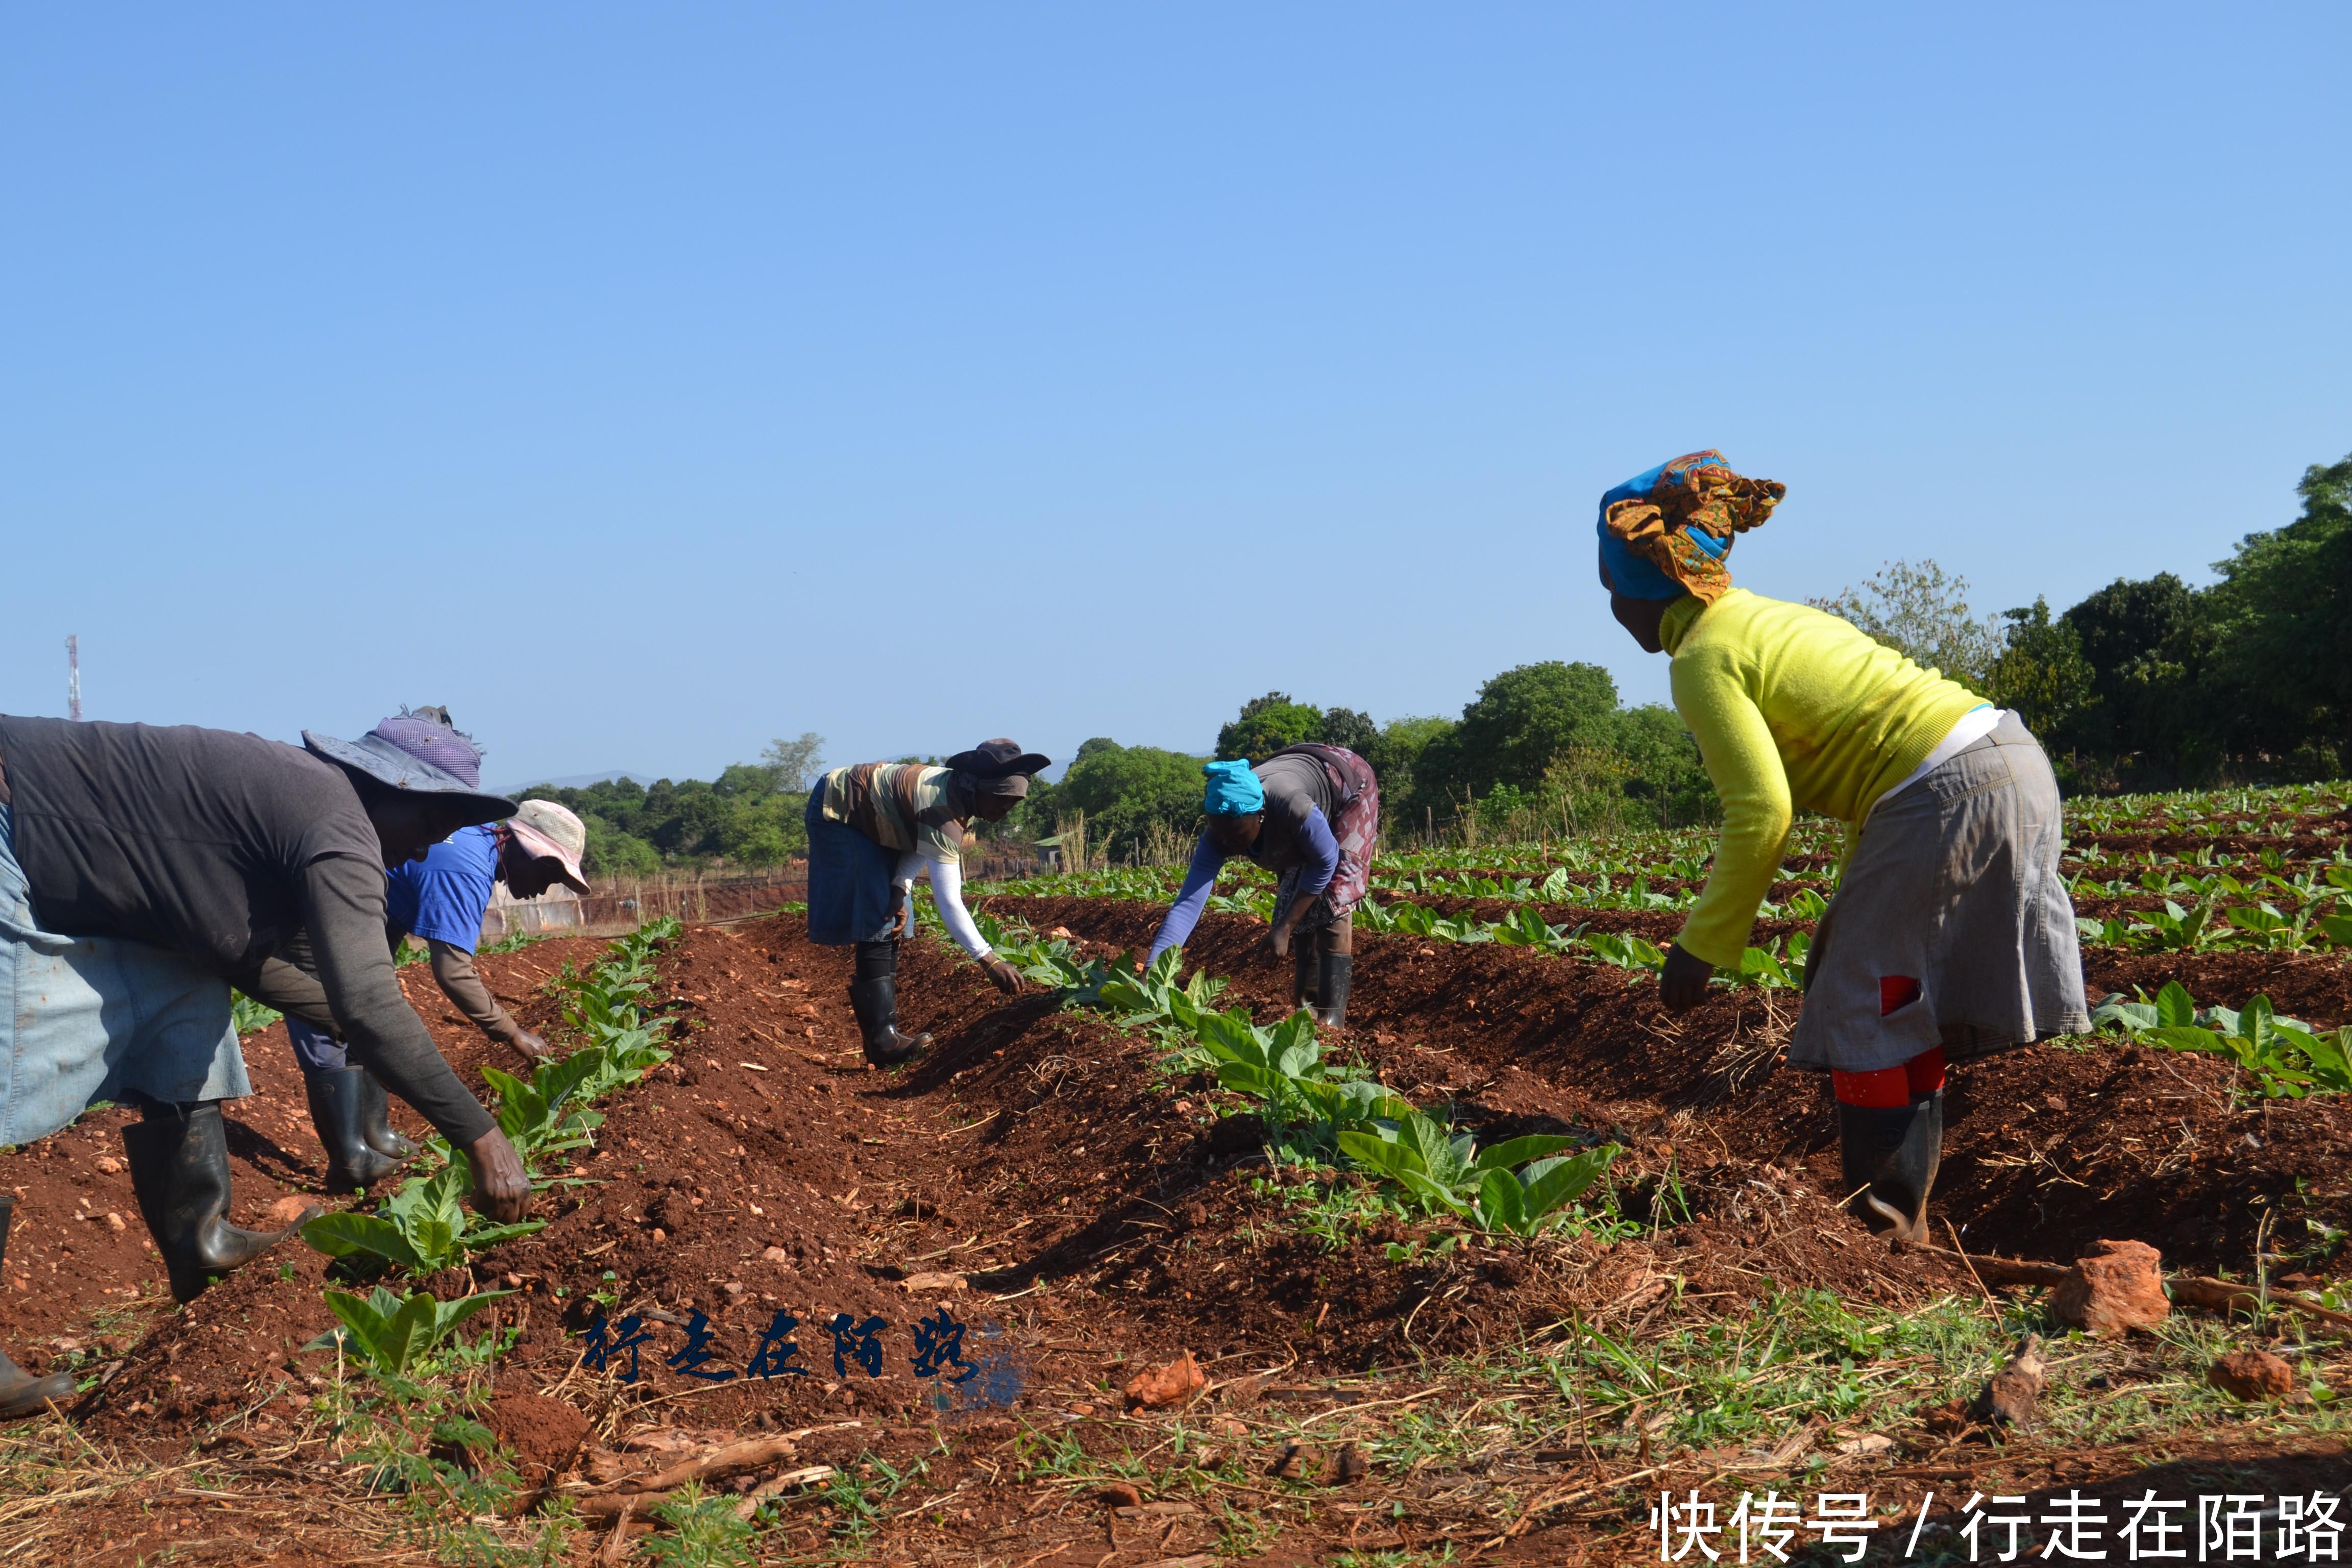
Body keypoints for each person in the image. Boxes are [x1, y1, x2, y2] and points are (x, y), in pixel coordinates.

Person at [1595, 449, 2088, 1243]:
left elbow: (1761, 812)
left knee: (1866, 997)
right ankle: (1903, 1225)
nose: (1612, 608)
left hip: (1944, 787)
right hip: (2009, 760)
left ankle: (1881, 1234)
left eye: (1609, 589)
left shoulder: (1703, 660)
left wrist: (1702, 945)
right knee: (1889, 992)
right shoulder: (1767, 618)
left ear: (1643, 588)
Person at [0, 713, 532, 1377]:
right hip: (11, 816)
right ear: (391, 788)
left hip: (68, 857)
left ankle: (203, 1244)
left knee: (185, 1008)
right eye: (428, 828)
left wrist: (355, 1026)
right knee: (10, 1054)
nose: (424, 852)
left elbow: (241, 959)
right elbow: (369, 1003)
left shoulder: (312, 801)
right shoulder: (336, 825)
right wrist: (482, 1137)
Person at [282, 710, 594, 1191]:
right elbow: (453, 972)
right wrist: (513, 1034)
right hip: (313, 909)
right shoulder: (465, 869)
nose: (544, 889)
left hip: (363, 914)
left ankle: (377, 1137)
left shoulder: (474, 844)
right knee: (330, 1021)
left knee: (362, 1021)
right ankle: (350, 1159)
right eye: (550, 874)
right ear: (521, 849)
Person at [804, 740, 1044, 1067]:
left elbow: (920, 842)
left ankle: (885, 1039)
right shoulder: (943, 810)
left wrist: (900, 888)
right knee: (878, 914)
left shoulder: (956, 797)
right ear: (976, 787)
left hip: (873, 815)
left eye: (1013, 803)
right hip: (841, 809)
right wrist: (988, 959)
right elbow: (949, 901)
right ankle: (883, 1041)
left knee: (896, 914)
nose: (1006, 811)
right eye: (1001, 800)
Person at [1144, 744, 1380, 1027]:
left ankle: (1331, 1019)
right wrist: (1152, 969)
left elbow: (1325, 862)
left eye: (1237, 836)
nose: (1228, 844)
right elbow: (1188, 903)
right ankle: (1308, 1013)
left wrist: (1284, 927)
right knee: (1295, 895)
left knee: (1334, 895)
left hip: (1348, 784)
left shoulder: (1292, 806)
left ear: (1261, 816)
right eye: (1221, 835)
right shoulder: (1218, 836)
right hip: (1293, 775)